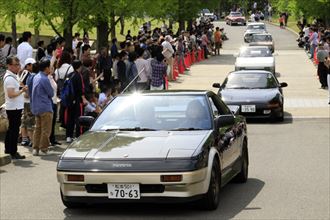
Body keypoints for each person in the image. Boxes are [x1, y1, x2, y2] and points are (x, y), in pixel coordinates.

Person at [3, 56, 27, 159]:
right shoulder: (9, 78)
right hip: (13, 107)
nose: (18, 67)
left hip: (15, 107)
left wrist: (21, 87)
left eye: (18, 64)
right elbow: (11, 94)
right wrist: (22, 90)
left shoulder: (13, 76)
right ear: (9, 66)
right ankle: (13, 151)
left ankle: (8, 149)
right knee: (14, 129)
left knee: (11, 129)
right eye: (15, 65)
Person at [30, 58, 54, 156]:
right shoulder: (45, 79)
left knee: (38, 128)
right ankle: (43, 149)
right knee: (46, 129)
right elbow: (51, 93)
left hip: (36, 106)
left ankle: (35, 148)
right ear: (47, 68)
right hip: (45, 106)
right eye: (50, 67)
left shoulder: (36, 76)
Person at [65, 60, 87, 143]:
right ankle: (78, 135)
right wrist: (84, 99)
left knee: (70, 118)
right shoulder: (78, 76)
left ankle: (68, 136)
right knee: (78, 118)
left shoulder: (69, 75)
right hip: (78, 100)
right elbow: (81, 89)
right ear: (79, 66)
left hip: (69, 100)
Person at [19, 58, 36, 147]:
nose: (34, 66)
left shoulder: (27, 73)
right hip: (26, 100)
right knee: (28, 120)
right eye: (32, 65)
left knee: (25, 120)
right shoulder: (26, 73)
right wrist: (26, 92)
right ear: (28, 65)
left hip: (26, 100)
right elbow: (20, 84)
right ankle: (28, 139)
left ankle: (25, 139)